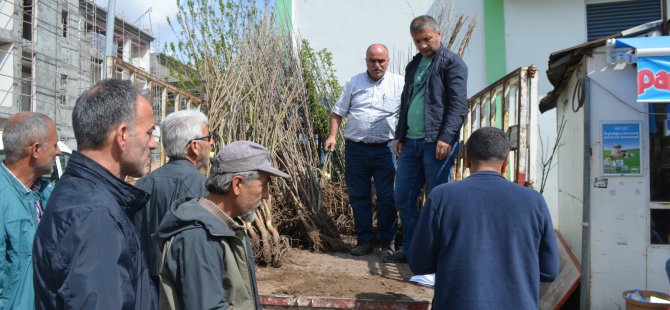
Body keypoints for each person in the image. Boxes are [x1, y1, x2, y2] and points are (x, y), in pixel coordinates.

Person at [33, 79, 158, 309]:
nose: (153, 143)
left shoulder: (83, 193)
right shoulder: (94, 216)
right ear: (122, 135)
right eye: (149, 132)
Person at [408, 127, 559, 309]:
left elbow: (419, 264)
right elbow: (549, 271)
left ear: (466, 158)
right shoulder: (534, 201)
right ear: (505, 163)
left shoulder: (441, 197)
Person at [155, 141, 289, 309]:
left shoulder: (226, 228)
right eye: (264, 185)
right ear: (237, 184)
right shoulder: (199, 237)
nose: (266, 195)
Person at [384, 15, 468, 263]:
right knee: (402, 197)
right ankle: (412, 248)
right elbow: (406, 101)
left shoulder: (453, 63)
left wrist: (446, 137)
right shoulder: (413, 65)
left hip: (437, 143)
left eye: (426, 39)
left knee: (438, 199)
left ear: (438, 34)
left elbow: (458, 105)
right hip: (410, 143)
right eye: (417, 41)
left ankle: (438, 253)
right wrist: (400, 135)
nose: (422, 45)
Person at [324, 43, 403, 256]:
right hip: (356, 148)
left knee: (388, 196)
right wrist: (332, 136)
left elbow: (406, 113)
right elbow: (337, 112)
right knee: (359, 195)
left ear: (388, 61)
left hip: (386, 149)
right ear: (366, 61)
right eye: (372, 60)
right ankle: (364, 241)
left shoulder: (399, 83)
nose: (377, 65)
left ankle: (387, 242)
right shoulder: (354, 82)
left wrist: (403, 139)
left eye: (381, 61)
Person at [133, 109, 211, 289]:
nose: (211, 142)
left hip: (144, 289)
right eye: (208, 137)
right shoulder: (203, 187)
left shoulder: (143, 184)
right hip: (180, 292)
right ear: (194, 146)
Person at [0, 112, 60, 309]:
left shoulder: (43, 194)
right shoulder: (3, 199)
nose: (58, 152)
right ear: (35, 150)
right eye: (54, 145)